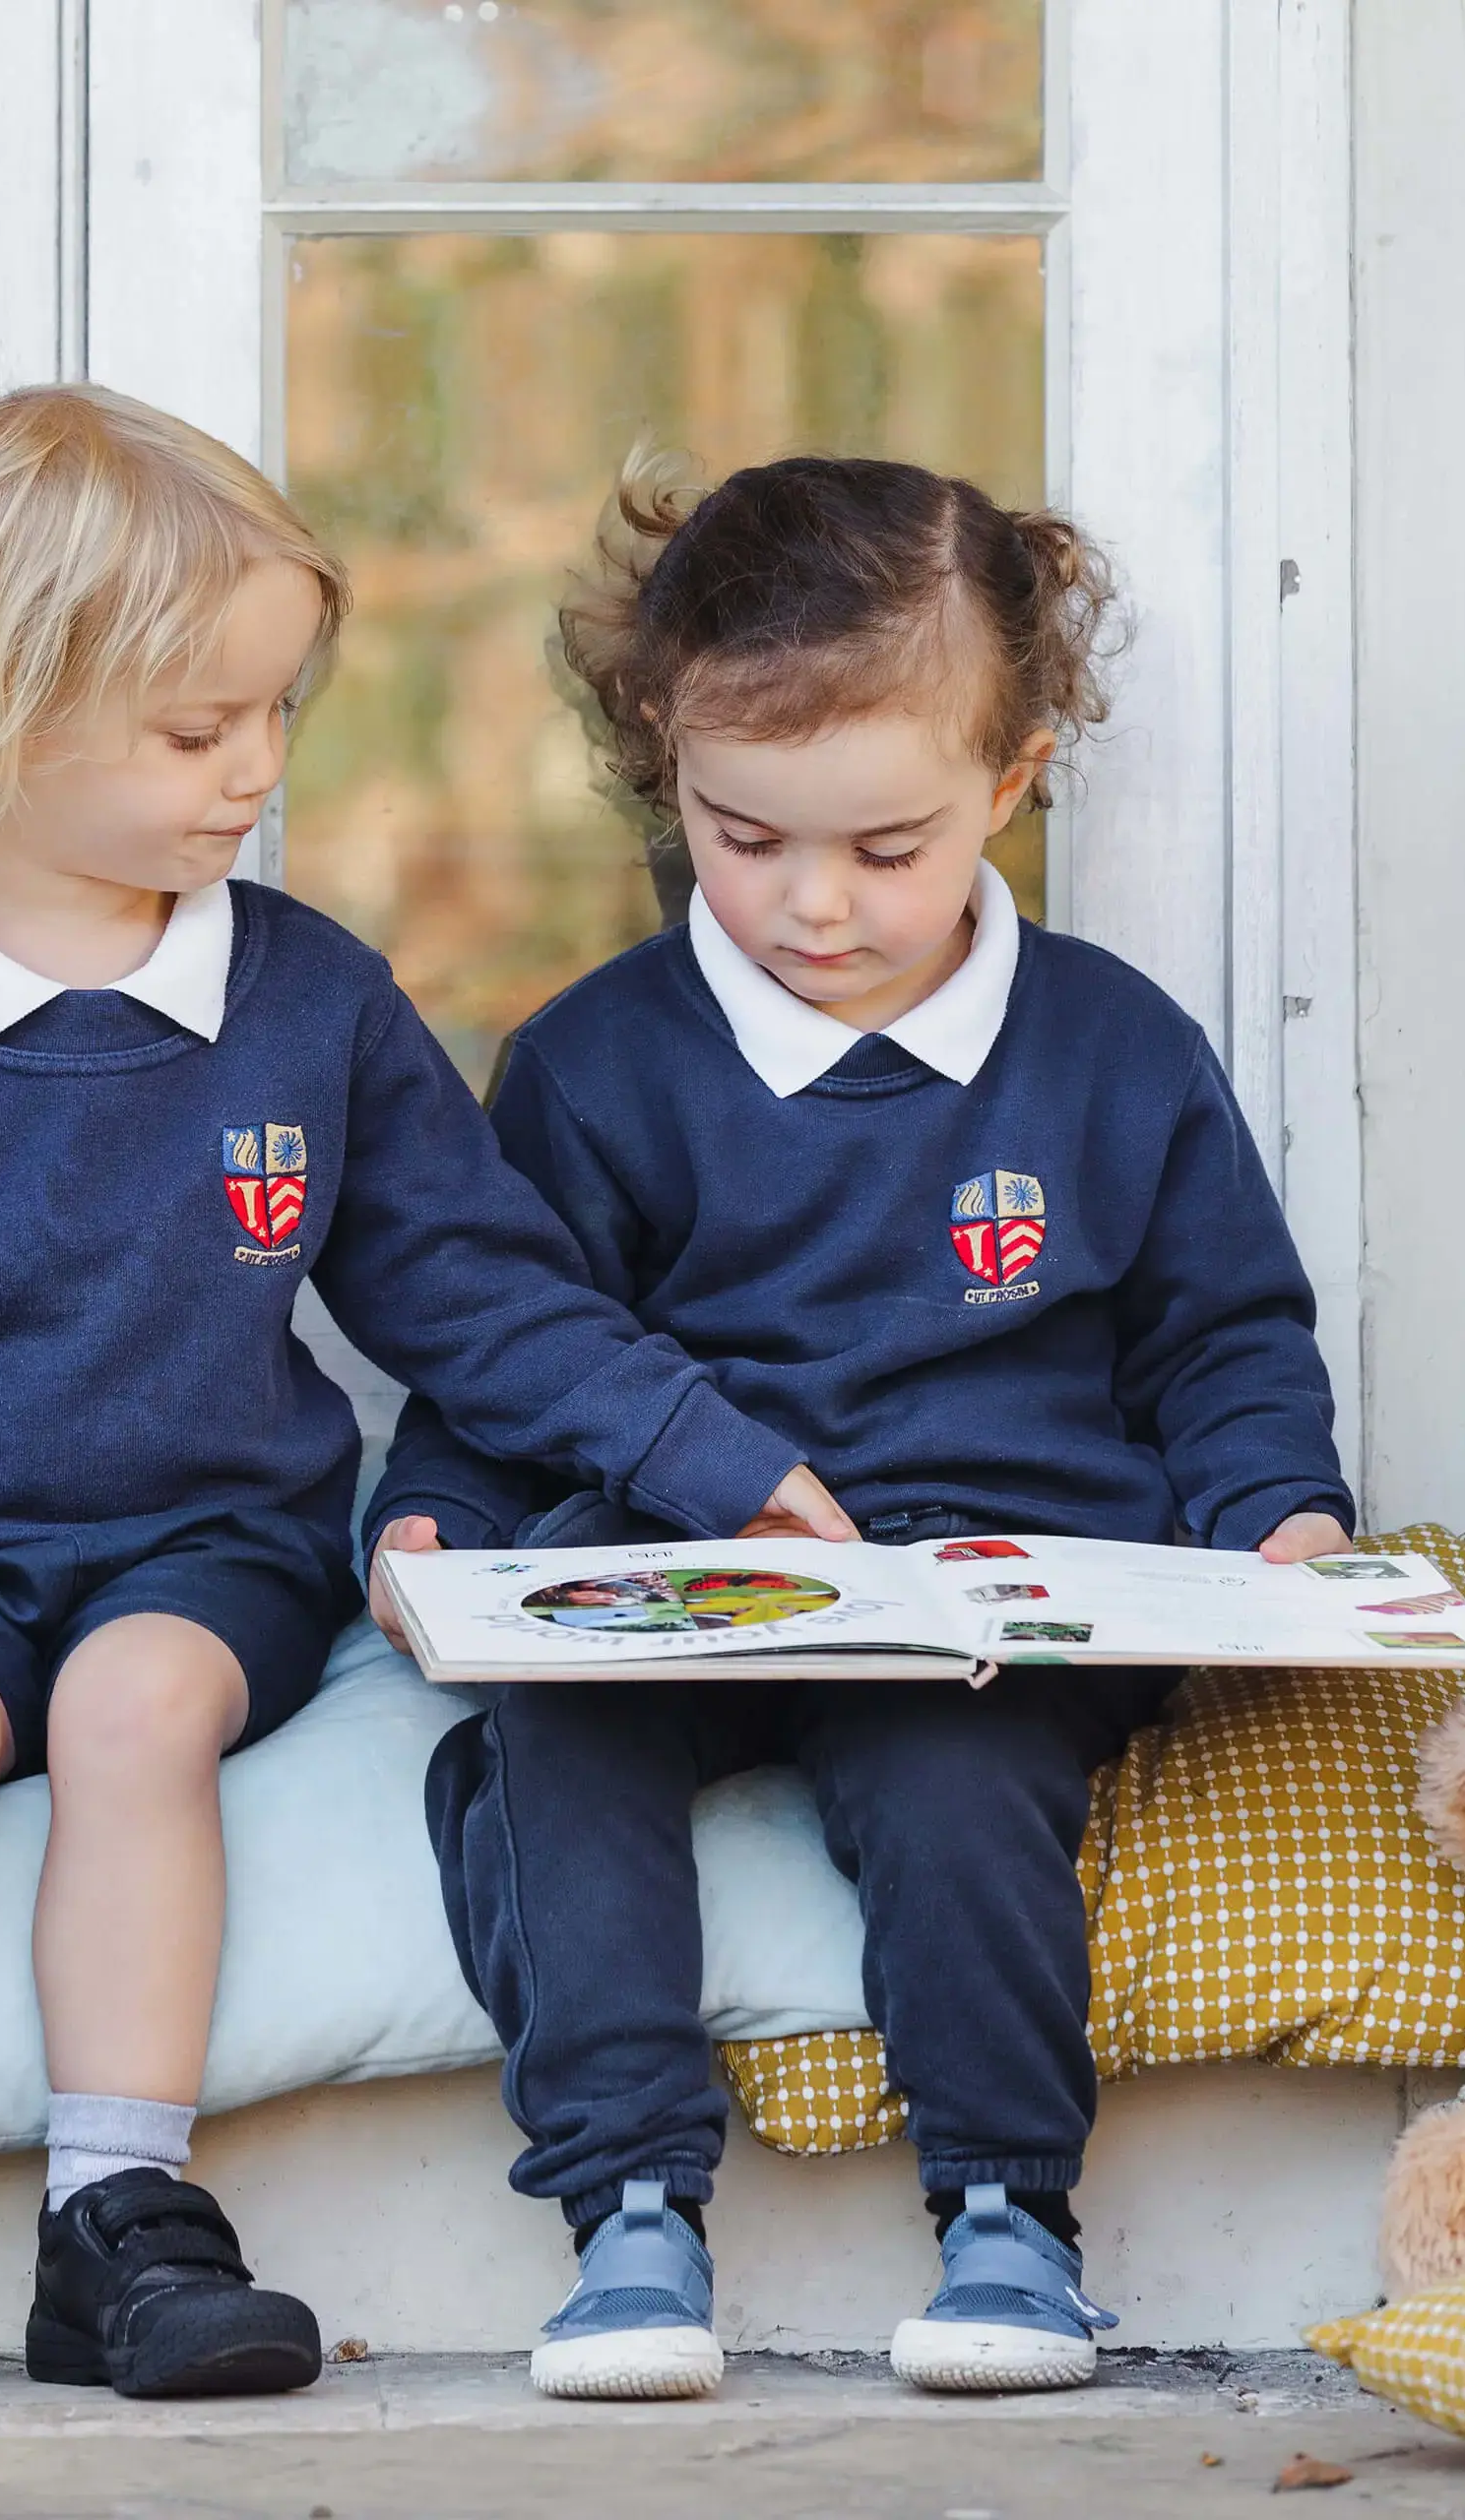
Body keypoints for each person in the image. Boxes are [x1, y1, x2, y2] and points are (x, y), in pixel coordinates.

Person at [0, 386, 833, 2428]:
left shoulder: (305, 997)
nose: (251, 772)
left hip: (205, 1547)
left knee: (135, 1710)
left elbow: (477, 1291)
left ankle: (123, 2214)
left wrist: (717, 1456)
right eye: (192, 731)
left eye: (271, 717)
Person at [364, 451, 1355, 2405]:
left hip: (995, 1591)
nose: (813, 904)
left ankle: (1009, 2215)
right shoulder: (596, 1059)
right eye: (745, 839)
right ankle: (629, 2206)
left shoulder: (1115, 1048)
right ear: (668, 759)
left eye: (884, 848)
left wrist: (1283, 1525)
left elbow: (1222, 1336)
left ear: (1010, 776)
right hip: (687, 1577)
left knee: (944, 1770)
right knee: (547, 1742)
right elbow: (510, 1337)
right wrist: (430, 1522)